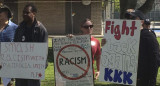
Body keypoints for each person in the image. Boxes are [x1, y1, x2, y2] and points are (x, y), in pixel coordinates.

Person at [14, 3, 48, 86]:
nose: (24, 14)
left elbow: (44, 50)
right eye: (23, 12)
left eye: (27, 12)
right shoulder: (19, 28)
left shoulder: (41, 29)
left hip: (34, 69)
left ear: (34, 13)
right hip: (20, 68)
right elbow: (15, 47)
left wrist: (41, 66)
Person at [125, 9, 160, 86]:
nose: (130, 21)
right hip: (127, 77)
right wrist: (106, 43)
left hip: (142, 79)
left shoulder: (148, 36)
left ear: (142, 22)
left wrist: (152, 81)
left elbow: (155, 59)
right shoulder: (126, 36)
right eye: (129, 19)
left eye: (133, 18)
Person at [0, 4, 18, 86]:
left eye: (1, 11)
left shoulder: (15, 28)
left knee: (8, 84)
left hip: (9, 64)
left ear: (7, 13)